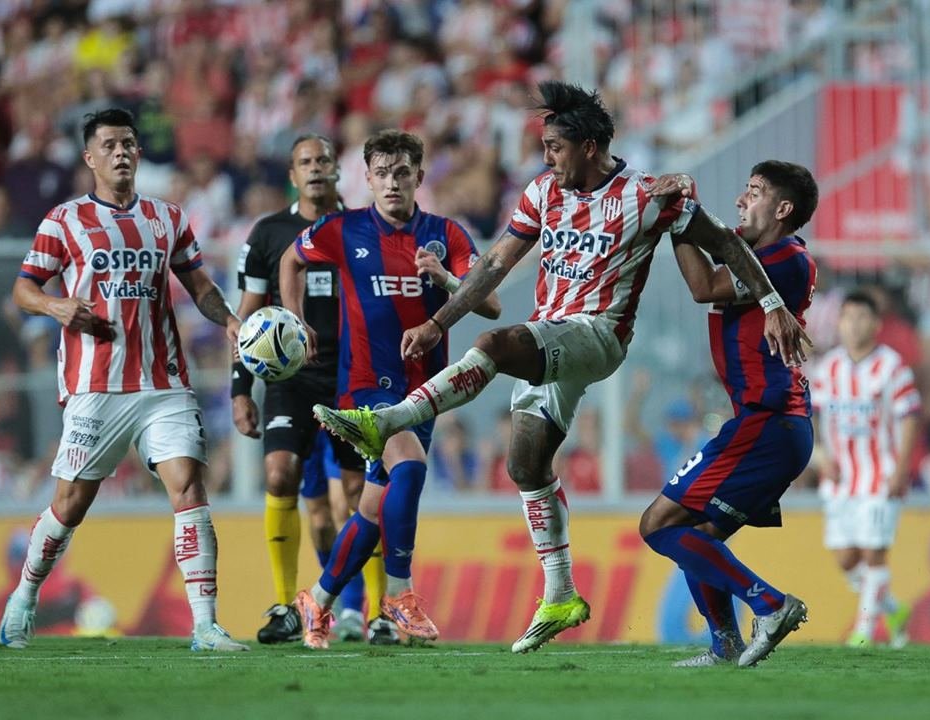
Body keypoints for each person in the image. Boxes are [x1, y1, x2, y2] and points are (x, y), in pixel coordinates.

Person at [315, 82, 811, 653]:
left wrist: (772, 302)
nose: (548, 157)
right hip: (552, 332)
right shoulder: (542, 192)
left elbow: (726, 246)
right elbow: (496, 264)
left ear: (592, 146)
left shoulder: (647, 196)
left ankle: (390, 420)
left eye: (556, 146)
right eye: (545, 146)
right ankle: (561, 594)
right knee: (525, 464)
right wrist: (438, 323)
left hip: (598, 334)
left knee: (499, 344)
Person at [0, 108, 247, 651]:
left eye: (128, 143)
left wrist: (228, 320)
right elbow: (23, 288)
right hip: (96, 385)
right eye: (109, 144)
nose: (121, 152)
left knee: (189, 487)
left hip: (163, 382)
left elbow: (199, 284)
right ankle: (24, 598)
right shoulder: (63, 221)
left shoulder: (168, 218)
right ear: (90, 158)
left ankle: (205, 624)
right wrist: (55, 306)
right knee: (70, 504)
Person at [281, 129, 500, 649]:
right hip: (364, 388)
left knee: (373, 511)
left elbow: (491, 306)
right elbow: (291, 259)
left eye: (402, 172)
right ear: (368, 179)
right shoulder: (343, 229)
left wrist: (446, 279)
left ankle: (316, 599)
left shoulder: (447, 234)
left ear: (419, 177)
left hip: (426, 392)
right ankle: (399, 596)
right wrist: (295, 321)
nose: (392, 183)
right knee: (411, 467)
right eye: (381, 173)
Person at [637, 161, 817, 668]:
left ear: (782, 209)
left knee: (658, 524)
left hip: (768, 419)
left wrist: (680, 216)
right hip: (770, 424)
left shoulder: (786, 258)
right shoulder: (761, 253)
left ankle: (770, 603)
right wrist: (681, 213)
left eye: (754, 191)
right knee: (699, 534)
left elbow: (703, 286)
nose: (742, 200)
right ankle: (725, 645)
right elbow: (712, 246)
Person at [231, 133, 380, 644]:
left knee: (359, 493)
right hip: (291, 381)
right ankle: (285, 602)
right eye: (304, 162)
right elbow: (248, 319)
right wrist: (239, 389)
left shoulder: (364, 227)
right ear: (292, 176)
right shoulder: (269, 233)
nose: (315, 168)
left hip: (352, 376)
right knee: (280, 475)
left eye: (323, 160)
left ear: (338, 170)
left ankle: (376, 611)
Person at [811, 290, 920, 648]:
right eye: (848, 317)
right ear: (839, 323)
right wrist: (821, 455)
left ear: (876, 324)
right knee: (846, 558)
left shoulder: (892, 366)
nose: (854, 324)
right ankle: (893, 608)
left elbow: (908, 418)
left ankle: (865, 631)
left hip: (880, 473)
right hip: (841, 477)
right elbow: (814, 416)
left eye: (862, 317)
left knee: (874, 552)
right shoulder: (828, 368)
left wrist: (901, 468)